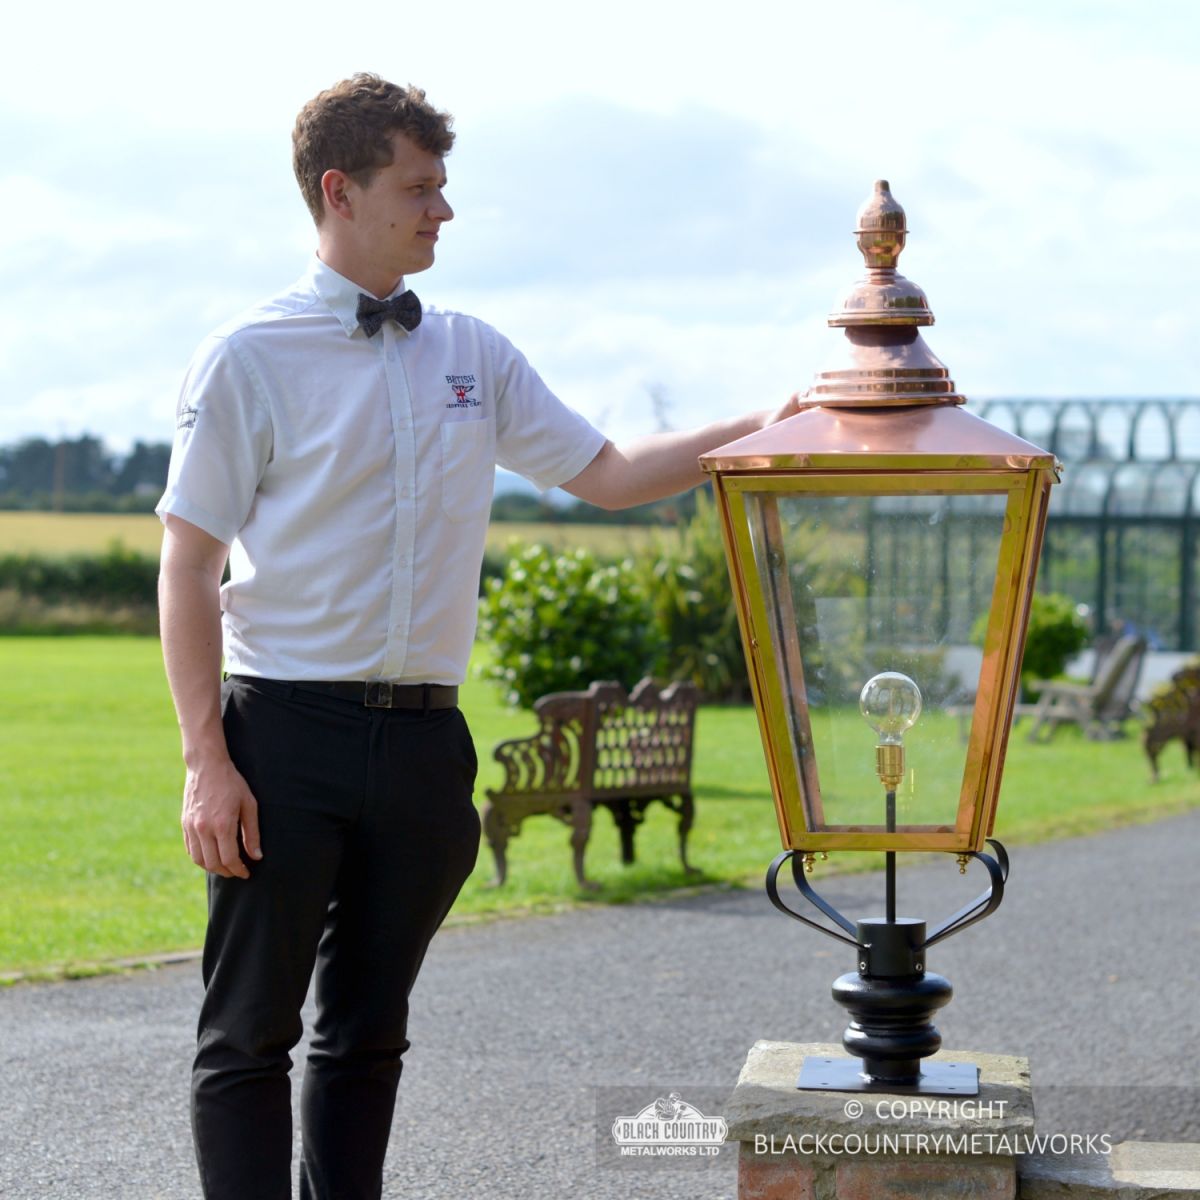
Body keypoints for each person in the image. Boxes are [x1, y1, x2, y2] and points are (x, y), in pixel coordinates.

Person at [157, 72, 797, 1200]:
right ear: (340, 190)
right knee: (248, 1033)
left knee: (368, 1035)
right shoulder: (247, 359)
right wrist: (208, 762)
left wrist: (758, 426)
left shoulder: (471, 351)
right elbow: (189, 564)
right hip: (282, 737)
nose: (443, 210)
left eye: (445, 187)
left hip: (422, 746)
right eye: (420, 187)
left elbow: (606, 476)